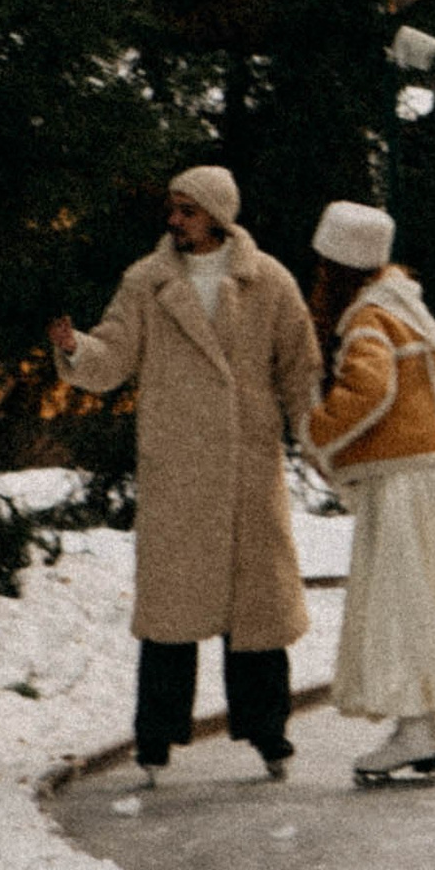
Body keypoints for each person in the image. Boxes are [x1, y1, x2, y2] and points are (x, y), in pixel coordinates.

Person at [50, 167, 321, 786]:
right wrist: (76, 349)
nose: (174, 220)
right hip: (178, 470)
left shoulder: (269, 281)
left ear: (218, 216)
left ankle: (269, 735)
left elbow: (299, 369)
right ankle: (155, 742)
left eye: (187, 210)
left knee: (257, 617)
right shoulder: (147, 281)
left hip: (247, 468)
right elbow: (113, 355)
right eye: (172, 209)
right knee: (170, 615)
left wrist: (317, 437)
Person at [305, 200, 435, 784]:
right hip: (422, 475)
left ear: (338, 266)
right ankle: (419, 725)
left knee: (398, 602)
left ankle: (415, 727)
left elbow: (369, 389)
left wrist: (317, 432)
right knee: (417, 599)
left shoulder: (370, 318)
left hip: (401, 480)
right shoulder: (403, 307)